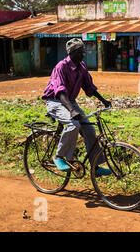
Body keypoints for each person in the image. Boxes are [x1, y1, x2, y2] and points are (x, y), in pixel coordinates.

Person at [42, 38, 112, 175]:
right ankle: (59, 157)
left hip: (70, 102)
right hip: (55, 101)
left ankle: (95, 167)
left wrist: (103, 100)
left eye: (83, 52)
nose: (83, 55)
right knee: (73, 124)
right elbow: (60, 92)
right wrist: (72, 110)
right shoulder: (61, 67)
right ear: (72, 53)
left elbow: (89, 87)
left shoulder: (82, 67)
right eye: (81, 52)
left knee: (89, 129)